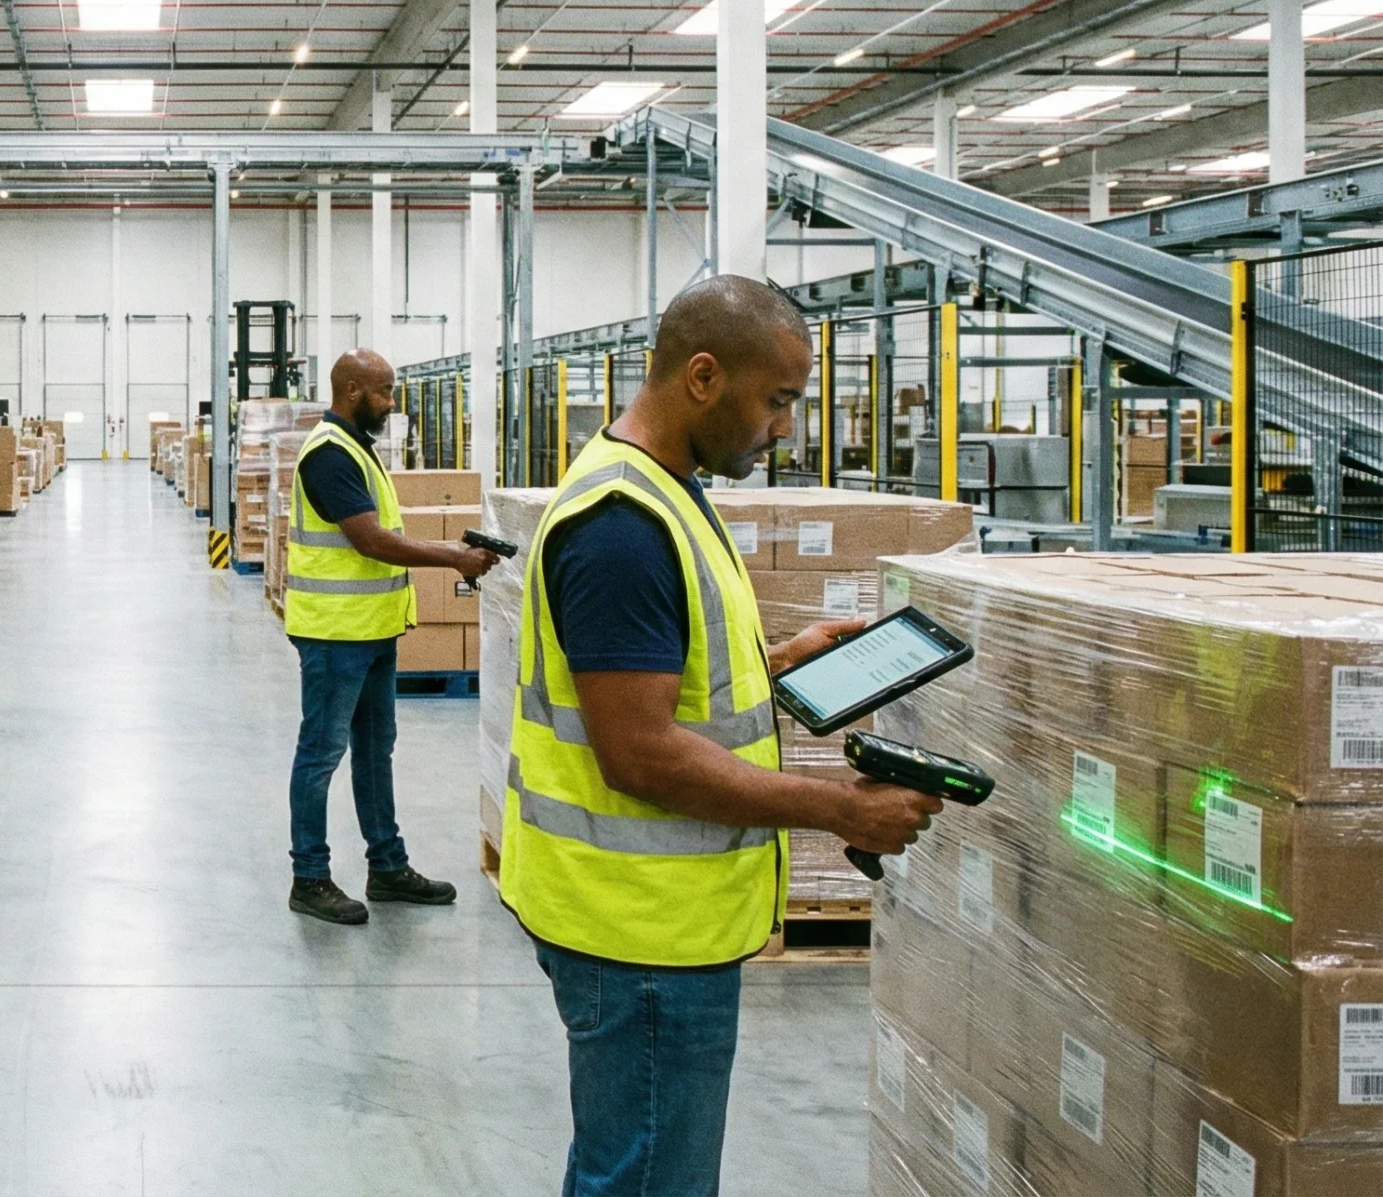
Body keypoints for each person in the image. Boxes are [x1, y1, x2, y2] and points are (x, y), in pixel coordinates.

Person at [501, 276, 942, 1197]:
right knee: (648, 1179)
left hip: (657, 921)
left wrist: (781, 662)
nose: (785, 427)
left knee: (639, 1166)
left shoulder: (668, 489)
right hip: (641, 933)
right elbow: (643, 753)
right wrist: (839, 810)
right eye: (777, 400)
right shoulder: (622, 526)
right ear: (703, 376)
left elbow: (672, 686)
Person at [282, 349, 499, 925]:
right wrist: (452, 556)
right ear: (352, 390)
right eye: (384, 392)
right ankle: (310, 876)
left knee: (376, 752)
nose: (391, 403)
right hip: (334, 635)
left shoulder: (358, 448)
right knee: (321, 754)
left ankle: (387, 867)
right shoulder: (329, 456)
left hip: (373, 631)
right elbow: (370, 541)